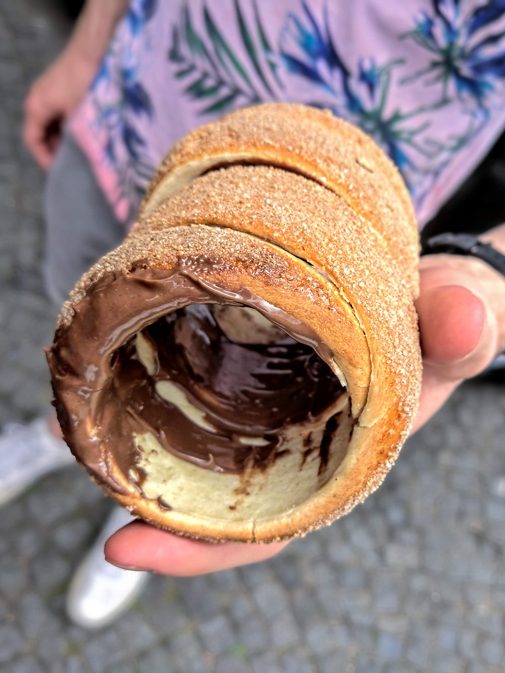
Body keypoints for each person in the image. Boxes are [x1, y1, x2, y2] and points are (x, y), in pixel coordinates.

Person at [5, 0, 505, 628]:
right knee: (88, 336)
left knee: (195, 427)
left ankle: (157, 499)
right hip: (139, 108)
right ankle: (64, 439)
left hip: (359, 201)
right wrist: (90, 44)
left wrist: (490, 265)